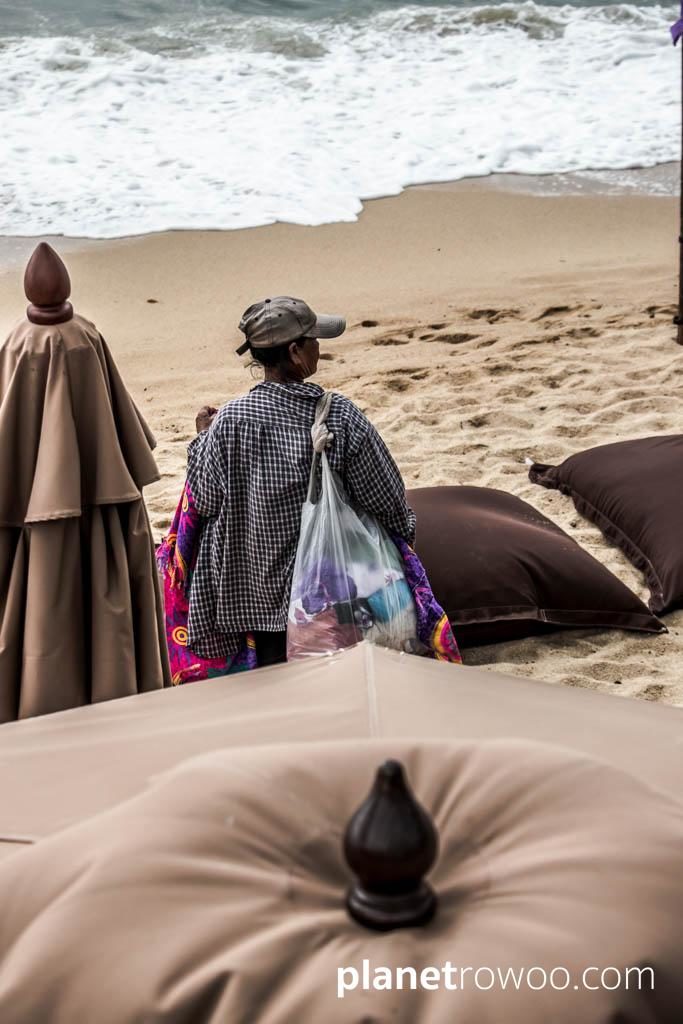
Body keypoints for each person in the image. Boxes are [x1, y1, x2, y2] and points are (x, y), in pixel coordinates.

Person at [186, 295, 417, 668]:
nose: (319, 348)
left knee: (278, 672)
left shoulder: (229, 420)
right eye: (314, 341)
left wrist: (201, 439)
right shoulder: (338, 415)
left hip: (255, 594)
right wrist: (405, 534)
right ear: (296, 352)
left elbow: (207, 500)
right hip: (331, 589)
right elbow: (385, 497)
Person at [0, 242, 171, 722]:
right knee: (106, 611)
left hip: (43, 510)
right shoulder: (82, 339)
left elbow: (13, 433)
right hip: (104, 504)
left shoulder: (19, 343)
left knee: (38, 606)